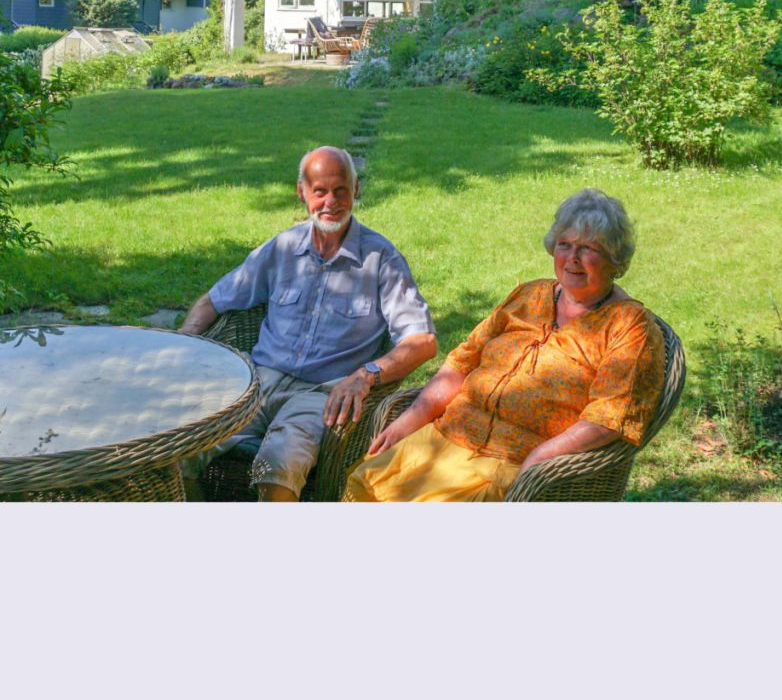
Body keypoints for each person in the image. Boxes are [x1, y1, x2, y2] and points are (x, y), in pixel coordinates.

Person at [345, 188, 665, 502]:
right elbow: (462, 364)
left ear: (614, 258)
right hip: (441, 442)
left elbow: (608, 419)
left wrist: (539, 459)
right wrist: (411, 419)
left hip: (507, 468)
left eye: (588, 248)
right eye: (565, 245)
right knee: (366, 487)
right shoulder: (528, 295)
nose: (572, 259)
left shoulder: (629, 326)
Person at [180, 145, 436, 501]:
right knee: (182, 445)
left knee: (278, 464)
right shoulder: (282, 249)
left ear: (357, 189)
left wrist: (365, 377)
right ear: (301, 192)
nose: (331, 201)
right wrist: (184, 341)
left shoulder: (381, 259)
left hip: (322, 394)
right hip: (256, 381)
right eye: (320, 191)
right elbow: (215, 299)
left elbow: (422, 341)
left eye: (341, 190)